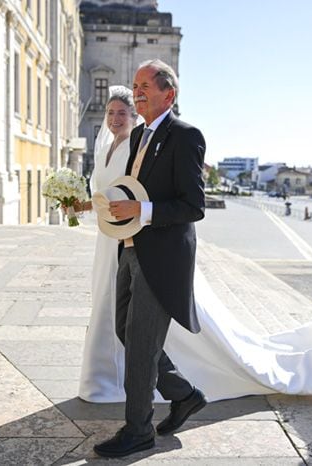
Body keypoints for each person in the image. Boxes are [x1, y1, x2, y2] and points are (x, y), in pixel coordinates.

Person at [93, 59, 207, 458]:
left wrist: (141, 213)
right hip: (130, 248)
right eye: (135, 85)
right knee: (127, 332)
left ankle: (138, 431)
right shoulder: (139, 134)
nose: (137, 91)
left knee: (141, 346)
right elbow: (133, 189)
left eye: (145, 86)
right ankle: (184, 394)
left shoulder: (186, 135)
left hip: (162, 257)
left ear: (168, 94)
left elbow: (193, 205)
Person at [73, 85, 138, 402]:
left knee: (115, 300)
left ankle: (111, 378)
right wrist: (77, 206)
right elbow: (101, 197)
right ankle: (101, 374)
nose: (115, 118)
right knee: (102, 296)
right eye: (111, 113)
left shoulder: (135, 149)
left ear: (133, 116)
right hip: (104, 236)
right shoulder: (104, 150)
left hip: (125, 236)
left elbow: (132, 194)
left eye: (121, 113)